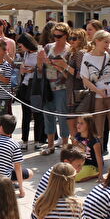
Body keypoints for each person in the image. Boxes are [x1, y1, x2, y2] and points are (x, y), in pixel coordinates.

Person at [80, 30, 110, 159]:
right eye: (105, 42)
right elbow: (84, 78)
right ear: (97, 41)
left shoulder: (109, 55)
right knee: (98, 132)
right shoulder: (87, 56)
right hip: (98, 97)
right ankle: (99, 163)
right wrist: (98, 91)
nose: (107, 44)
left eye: (109, 42)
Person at [38, 22, 72, 155]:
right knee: (48, 115)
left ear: (66, 35)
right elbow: (40, 70)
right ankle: (50, 145)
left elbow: (69, 74)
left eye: (59, 36)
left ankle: (65, 145)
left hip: (62, 87)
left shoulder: (69, 50)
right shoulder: (48, 47)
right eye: (54, 35)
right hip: (48, 86)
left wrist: (58, 65)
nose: (56, 38)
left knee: (63, 116)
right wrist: (40, 62)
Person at [16, 33, 46, 150]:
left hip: (36, 86)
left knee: (37, 114)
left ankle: (38, 140)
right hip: (25, 85)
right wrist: (22, 69)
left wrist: (33, 69)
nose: (20, 48)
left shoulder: (40, 50)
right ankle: (25, 140)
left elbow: (42, 68)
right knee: (26, 115)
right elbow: (23, 67)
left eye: (21, 45)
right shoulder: (27, 53)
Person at [73, 116, 103, 182]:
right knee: (67, 172)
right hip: (82, 164)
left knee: (76, 177)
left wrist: (101, 175)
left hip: (92, 166)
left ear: (89, 125)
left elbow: (99, 158)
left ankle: (96, 174)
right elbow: (75, 153)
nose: (78, 125)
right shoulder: (77, 136)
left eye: (81, 123)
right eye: (78, 122)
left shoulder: (94, 141)